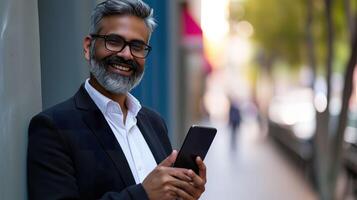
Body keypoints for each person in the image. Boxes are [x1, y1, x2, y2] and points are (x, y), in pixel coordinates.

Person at [27, 1, 207, 199]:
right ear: (88, 47)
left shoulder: (154, 123)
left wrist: (184, 193)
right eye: (114, 41)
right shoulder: (53, 128)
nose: (126, 54)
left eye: (137, 46)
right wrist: (143, 195)